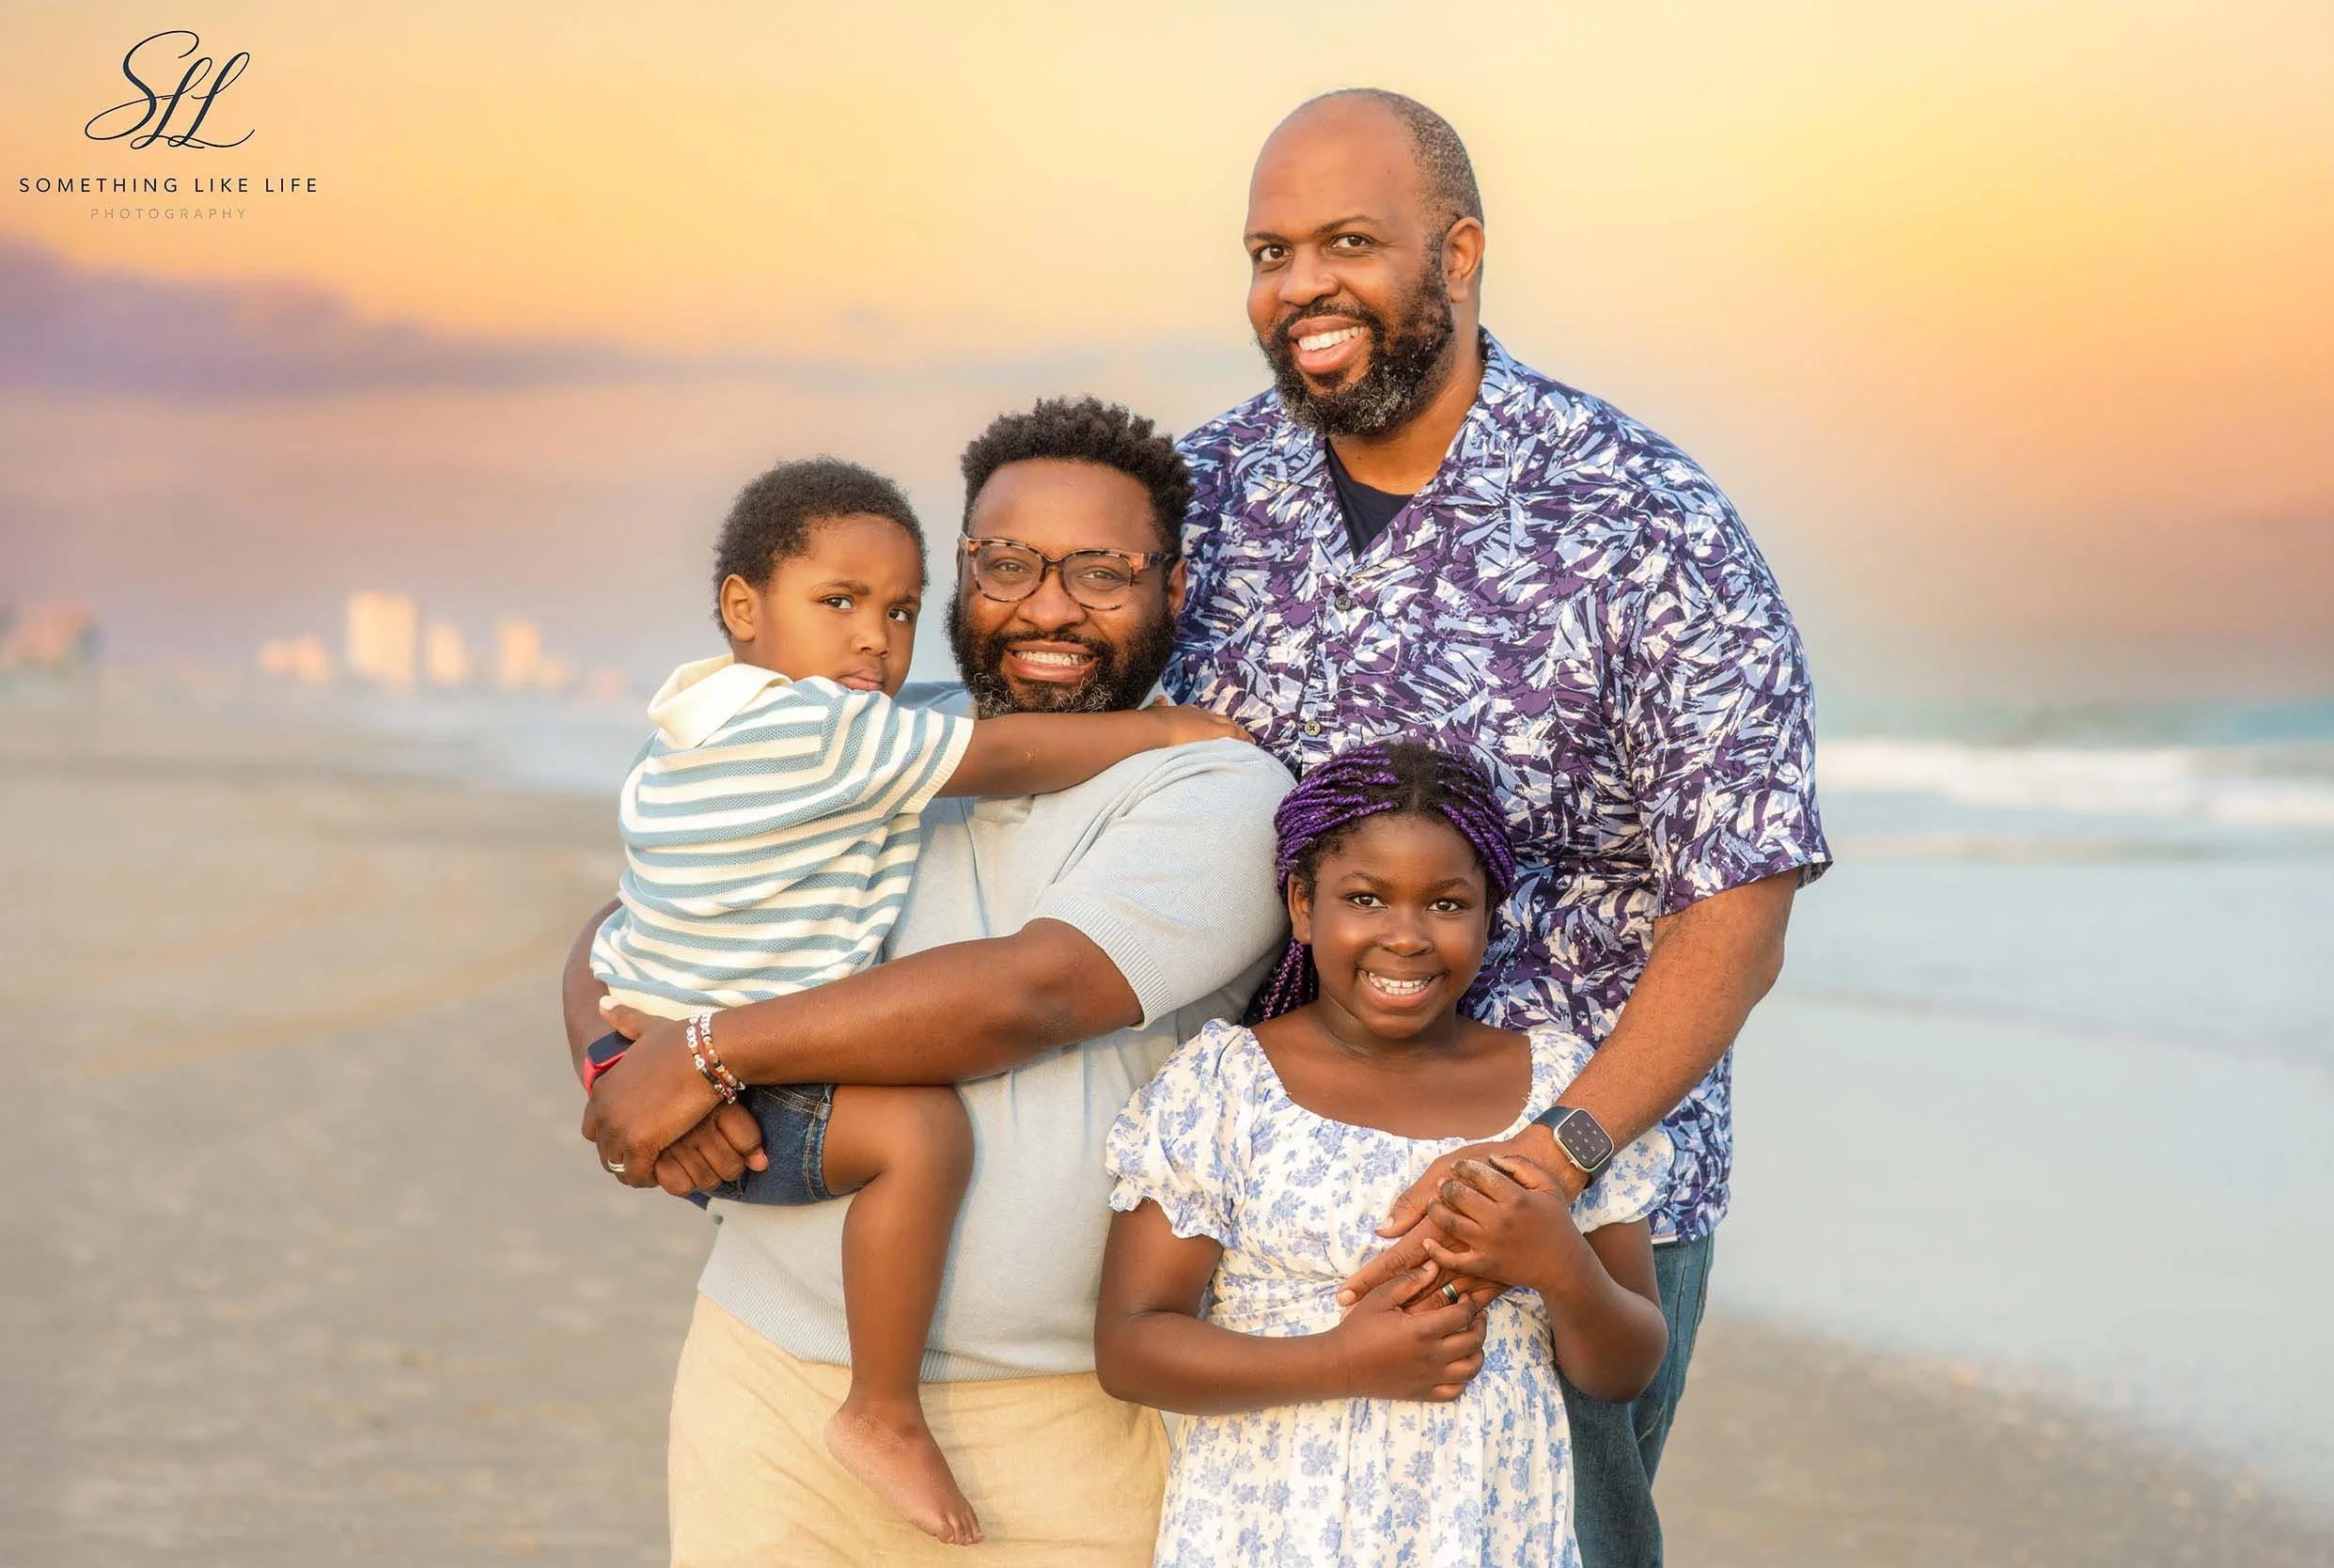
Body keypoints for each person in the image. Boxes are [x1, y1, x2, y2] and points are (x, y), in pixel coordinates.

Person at [1169, 89, 1832, 1565]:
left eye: (1350, 242)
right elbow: (1038, 743)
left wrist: (1554, 1159)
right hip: (1256, 1192)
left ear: (1459, 256)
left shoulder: (1646, 520)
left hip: (1569, 1219)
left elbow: (1740, 896)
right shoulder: (1202, 499)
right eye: (1271, 253)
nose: (1301, 286)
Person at [566, 398, 1295, 1567]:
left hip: (1059, 1432)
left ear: (1170, 587)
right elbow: (633, 914)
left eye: (1100, 572)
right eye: (1008, 564)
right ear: (965, 571)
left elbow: (1027, 996)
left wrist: (703, 1052)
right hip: (762, 1387)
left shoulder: (1216, 786)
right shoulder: (870, 735)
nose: (1047, 606)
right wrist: (618, 1064)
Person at [1096, 741, 1679, 1566]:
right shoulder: (1224, 1086)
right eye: (1365, 899)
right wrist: (1336, 1361)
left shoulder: (1559, 1090)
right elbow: (1131, 1348)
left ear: (1490, 913)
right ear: (1303, 906)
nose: (1405, 937)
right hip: (1270, 1530)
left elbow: (1624, 1370)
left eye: (1446, 904)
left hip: (1487, 1533)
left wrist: (1560, 1266)